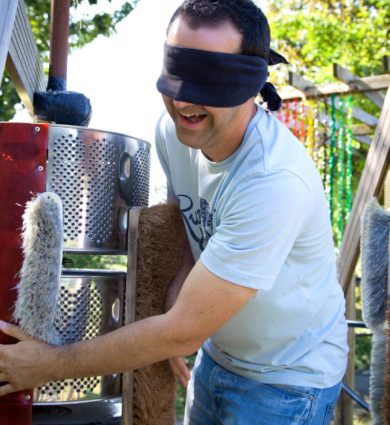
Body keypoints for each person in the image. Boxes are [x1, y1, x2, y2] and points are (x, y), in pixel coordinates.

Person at [0, 1, 348, 424]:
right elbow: (189, 214)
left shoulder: (273, 181)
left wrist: (46, 364)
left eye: (208, 82)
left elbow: (183, 331)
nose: (184, 100)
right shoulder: (177, 133)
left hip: (288, 381)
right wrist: (179, 288)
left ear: (247, 84)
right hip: (219, 359)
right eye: (177, 76)